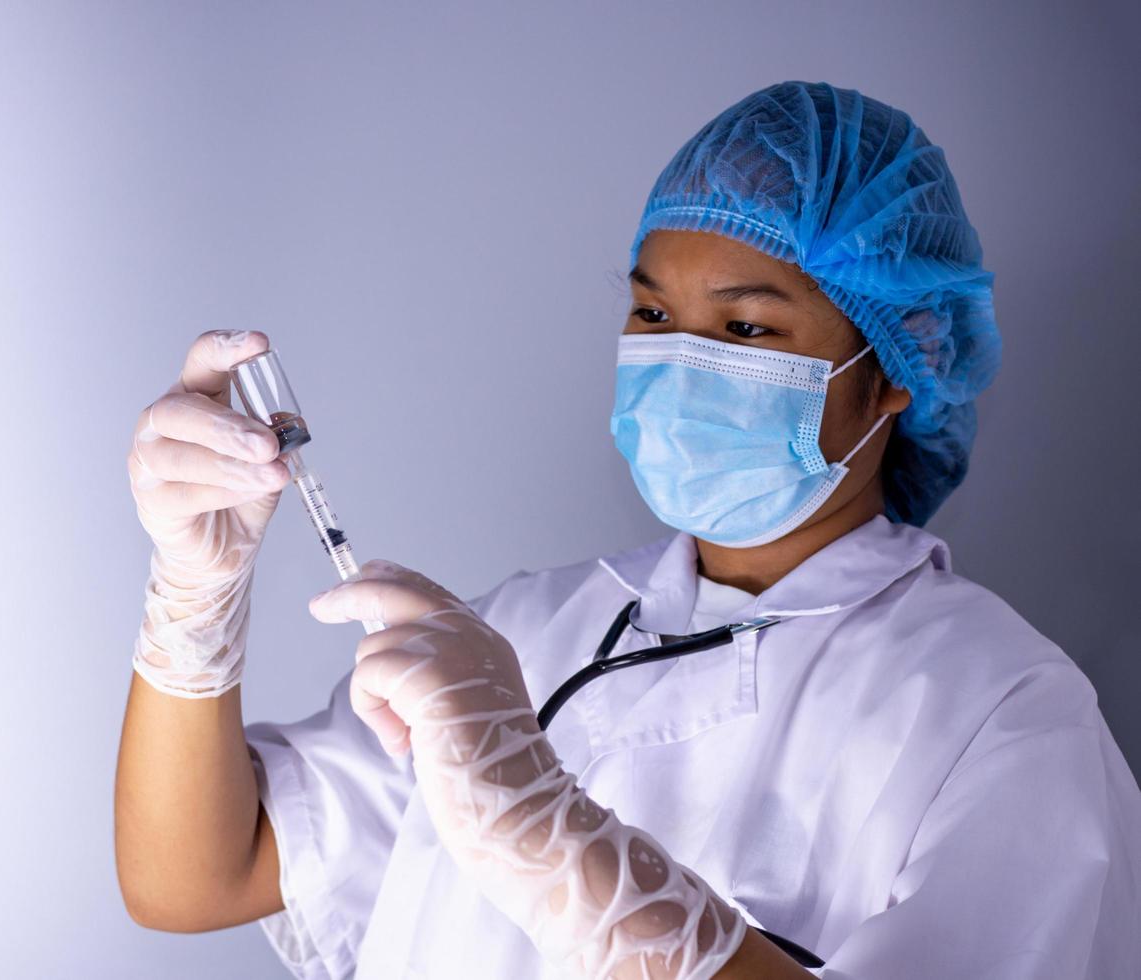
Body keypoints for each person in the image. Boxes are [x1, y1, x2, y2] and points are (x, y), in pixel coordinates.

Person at [114, 80, 1141, 978]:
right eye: (652, 315)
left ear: (892, 373)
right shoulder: (512, 639)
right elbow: (195, 875)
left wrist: (551, 839)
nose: (679, 358)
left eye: (745, 328)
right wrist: (194, 598)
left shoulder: (1002, 715)